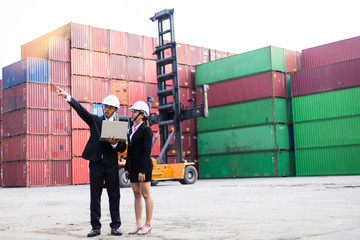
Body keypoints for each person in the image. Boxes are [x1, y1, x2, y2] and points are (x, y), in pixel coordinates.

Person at [56, 86, 126, 237]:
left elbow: (122, 147)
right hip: (96, 164)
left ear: (115, 109)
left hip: (111, 165)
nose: (105, 109)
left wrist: (114, 143)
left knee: (114, 196)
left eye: (108, 107)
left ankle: (115, 226)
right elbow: (81, 110)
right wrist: (67, 96)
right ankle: (95, 227)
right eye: (104, 106)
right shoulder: (94, 120)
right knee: (95, 197)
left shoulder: (120, 126)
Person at [125, 100, 154, 235]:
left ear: (142, 115)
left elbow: (146, 152)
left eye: (135, 112)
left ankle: (148, 224)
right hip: (133, 167)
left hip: (144, 167)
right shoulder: (131, 130)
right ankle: (138, 224)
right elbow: (129, 150)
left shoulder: (146, 130)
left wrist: (143, 171)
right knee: (136, 194)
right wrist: (127, 167)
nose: (132, 113)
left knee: (146, 194)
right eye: (132, 111)